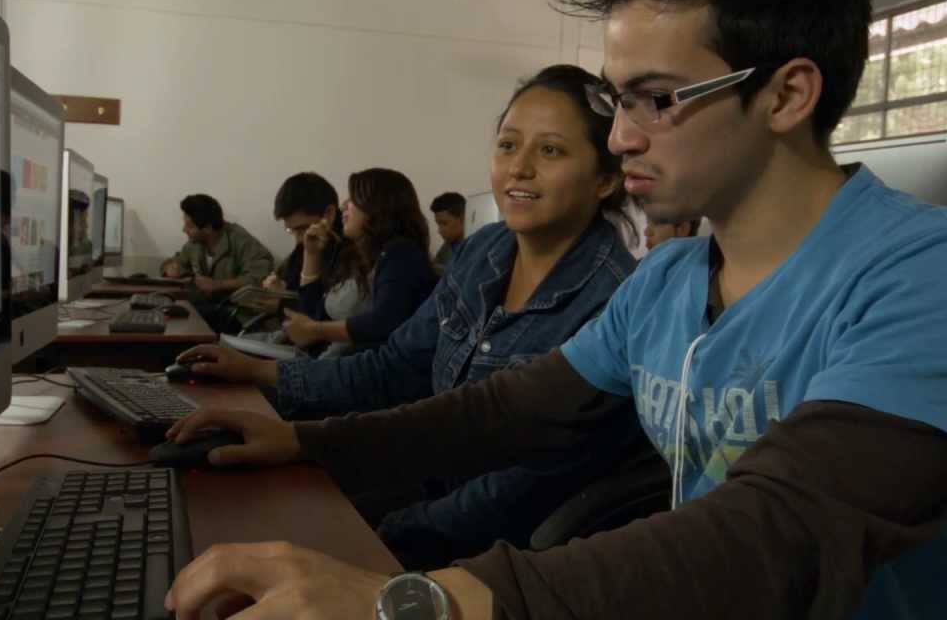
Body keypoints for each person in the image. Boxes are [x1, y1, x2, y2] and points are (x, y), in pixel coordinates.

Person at [162, 0, 947, 618]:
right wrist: (302, 440)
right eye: (616, 99)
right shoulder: (671, 282)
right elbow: (504, 412)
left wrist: (428, 601)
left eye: (658, 98)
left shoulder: (944, 280)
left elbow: (782, 529)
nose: (620, 137)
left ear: (787, 94)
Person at [176, 65, 650, 569]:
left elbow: (523, 489)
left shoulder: (615, 299)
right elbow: (395, 366)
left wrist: (380, 536)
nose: (519, 168)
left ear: (605, 178)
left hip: (493, 555)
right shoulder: (482, 252)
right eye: (508, 145)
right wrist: (261, 375)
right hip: (418, 486)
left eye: (550, 150)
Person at [276, 168, 436, 353]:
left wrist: (315, 331)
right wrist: (311, 254)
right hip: (324, 360)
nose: (343, 205)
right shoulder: (357, 255)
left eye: (353, 199)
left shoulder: (401, 255)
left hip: (357, 370)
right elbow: (312, 313)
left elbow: (385, 322)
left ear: (379, 207)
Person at [161, 194, 274, 333]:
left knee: (184, 319)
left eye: (189, 226)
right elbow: (177, 262)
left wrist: (219, 285)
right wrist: (169, 267)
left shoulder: (241, 240)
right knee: (172, 312)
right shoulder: (195, 243)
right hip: (209, 307)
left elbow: (261, 278)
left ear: (207, 228)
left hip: (238, 313)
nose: (184, 230)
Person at [262, 172, 345, 293]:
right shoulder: (302, 248)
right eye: (290, 230)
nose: (298, 239)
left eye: (302, 228)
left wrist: (284, 300)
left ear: (329, 213)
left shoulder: (350, 250)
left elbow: (329, 308)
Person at [428, 191, 466, 271]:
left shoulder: (476, 247)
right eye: (438, 224)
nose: (439, 230)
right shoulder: (448, 245)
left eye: (444, 223)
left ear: (462, 219)